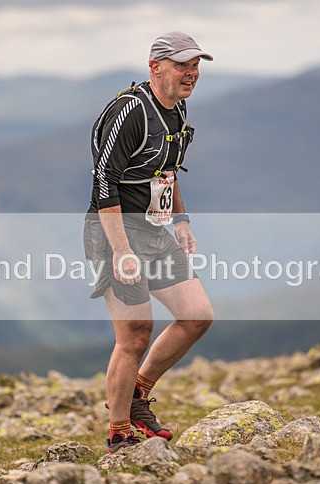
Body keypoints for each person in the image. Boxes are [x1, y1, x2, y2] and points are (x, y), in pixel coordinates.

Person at [84, 31, 214, 453]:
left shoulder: (177, 110)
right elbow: (103, 181)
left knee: (196, 316)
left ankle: (138, 393)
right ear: (155, 67)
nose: (191, 73)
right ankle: (119, 429)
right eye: (182, 65)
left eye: (195, 65)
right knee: (135, 335)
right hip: (114, 231)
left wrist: (181, 220)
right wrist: (121, 252)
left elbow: (168, 171)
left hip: (154, 231)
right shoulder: (132, 111)